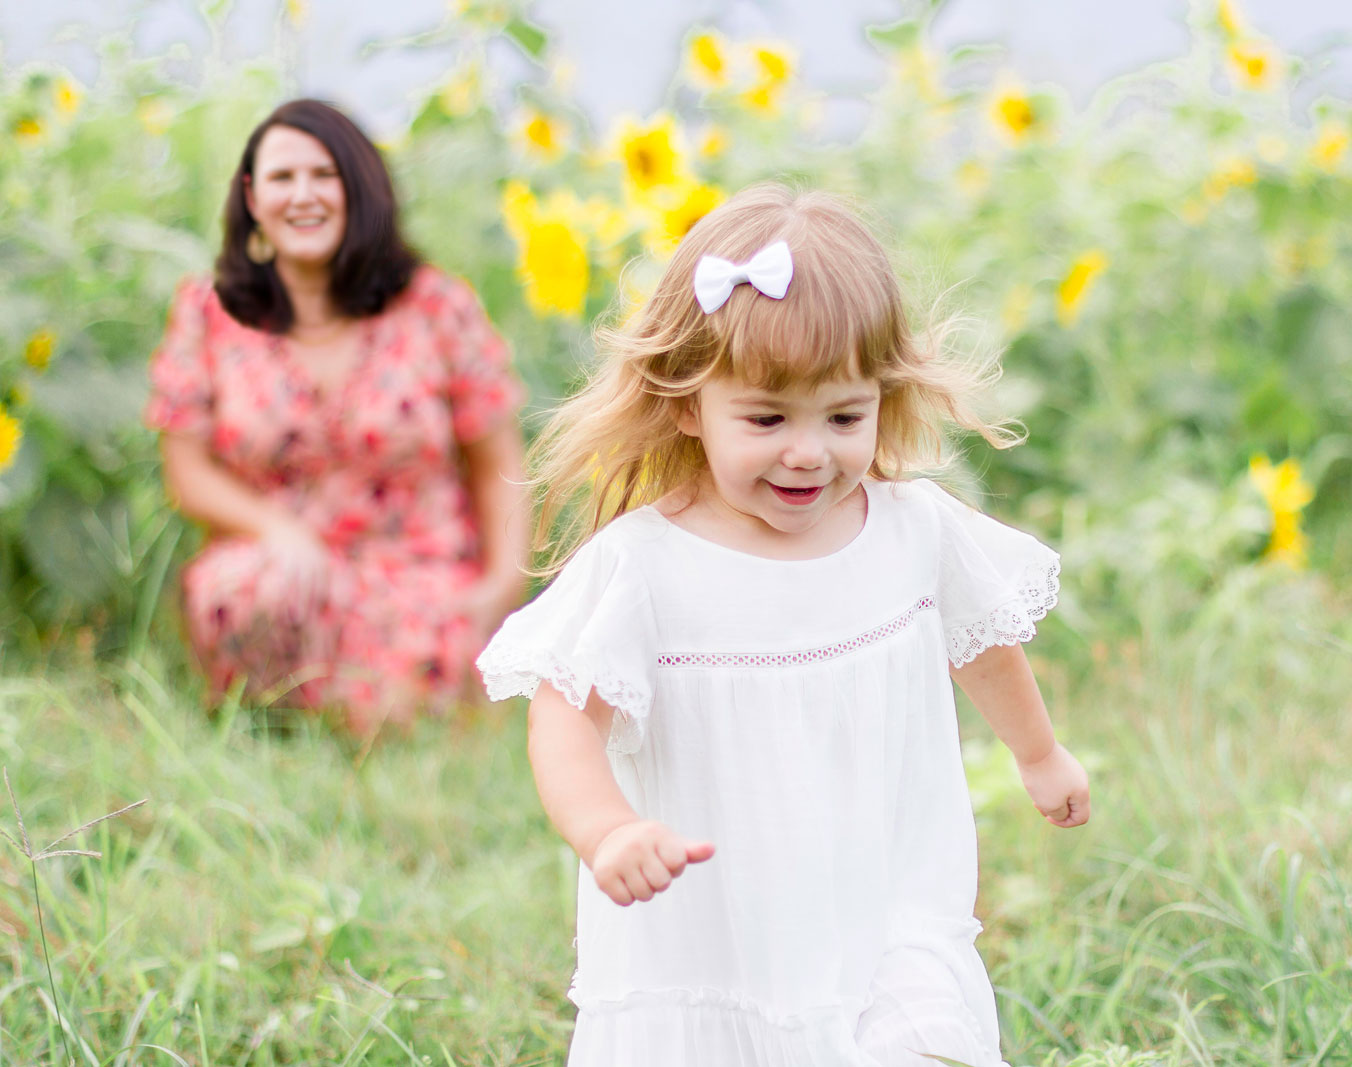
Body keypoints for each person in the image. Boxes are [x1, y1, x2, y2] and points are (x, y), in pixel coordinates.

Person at [476, 184, 1089, 1066]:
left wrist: (1037, 752)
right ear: (689, 404)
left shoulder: (913, 527)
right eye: (766, 418)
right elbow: (565, 712)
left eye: (844, 416)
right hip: (713, 937)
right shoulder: (645, 565)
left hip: (888, 910)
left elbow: (983, 641)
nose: (809, 450)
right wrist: (606, 828)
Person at [145, 99, 528, 735]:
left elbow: (500, 466)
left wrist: (500, 590)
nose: (304, 195)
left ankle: (387, 712)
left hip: (415, 570)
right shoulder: (210, 311)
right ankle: (265, 731)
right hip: (280, 568)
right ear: (252, 196)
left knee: (397, 711)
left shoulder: (435, 305)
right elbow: (186, 470)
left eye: (325, 176)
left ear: (362, 188)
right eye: (282, 178)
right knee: (243, 592)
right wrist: (277, 530)